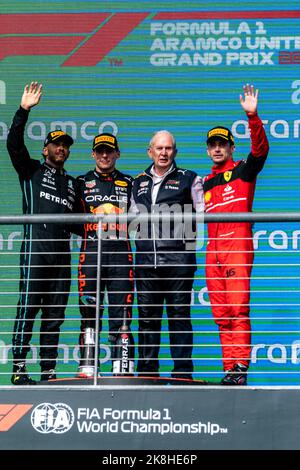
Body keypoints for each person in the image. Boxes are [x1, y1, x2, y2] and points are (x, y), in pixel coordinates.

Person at [7, 81, 79, 385]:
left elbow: (81, 224)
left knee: (54, 314)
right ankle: (20, 367)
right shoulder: (31, 170)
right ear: (45, 148)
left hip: (61, 256)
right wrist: (24, 110)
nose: (61, 148)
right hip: (36, 250)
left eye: (65, 145)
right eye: (56, 144)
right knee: (28, 308)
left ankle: (48, 371)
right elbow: (13, 144)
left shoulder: (74, 183)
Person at [203, 84, 269, 386]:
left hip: (237, 246)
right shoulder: (204, 182)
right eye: (213, 145)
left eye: (223, 144)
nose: (218, 148)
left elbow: (260, 151)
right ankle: (228, 367)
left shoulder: (243, 170)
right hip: (212, 251)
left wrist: (252, 117)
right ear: (208, 150)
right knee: (221, 312)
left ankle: (240, 366)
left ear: (231, 148)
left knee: (238, 307)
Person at [131, 130, 203, 380]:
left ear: (175, 152)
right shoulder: (137, 181)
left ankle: (182, 373)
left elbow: (204, 215)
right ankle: (147, 373)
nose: (164, 153)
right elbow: (131, 220)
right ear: (150, 151)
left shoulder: (189, 179)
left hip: (179, 261)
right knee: (147, 319)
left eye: (168, 148)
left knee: (179, 317)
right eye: (159, 148)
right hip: (145, 262)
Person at [76, 132, 134, 377]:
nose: (104, 155)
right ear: (93, 154)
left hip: (121, 253)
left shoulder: (131, 182)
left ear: (117, 154)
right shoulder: (80, 182)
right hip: (90, 253)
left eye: (109, 150)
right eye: (100, 150)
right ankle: (88, 364)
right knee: (89, 309)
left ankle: (122, 365)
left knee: (122, 311)